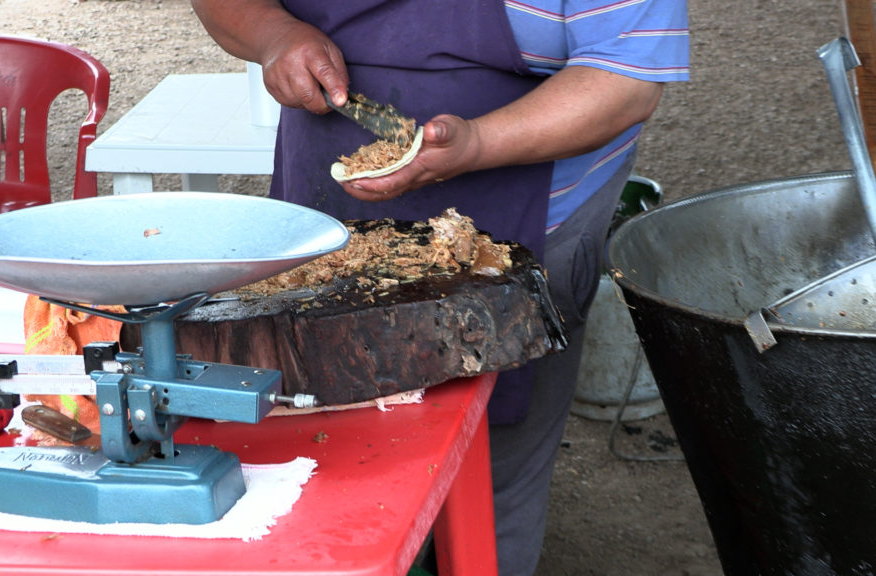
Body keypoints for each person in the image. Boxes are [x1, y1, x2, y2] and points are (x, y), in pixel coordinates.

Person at [190, 1, 689, 573]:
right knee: (315, 463)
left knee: (490, 480)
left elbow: (626, 77)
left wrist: (477, 144)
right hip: (323, 223)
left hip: (524, 224)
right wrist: (273, 34)